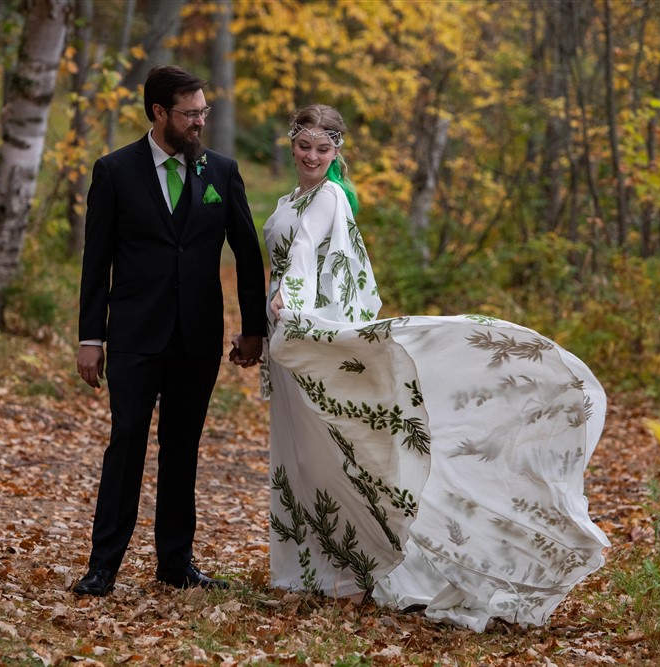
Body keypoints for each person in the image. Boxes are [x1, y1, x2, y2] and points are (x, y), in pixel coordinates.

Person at [253, 104, 610, 632]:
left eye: (323, 149)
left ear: (337, 152)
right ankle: (314, 568)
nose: (311, 157)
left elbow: (305, 254)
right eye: (304, 146)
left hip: (309, 325)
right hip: (291, 332)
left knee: (333, 450)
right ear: (291, 143)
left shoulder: (328, 196)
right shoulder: (291, 198)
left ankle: (356, 570)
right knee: (302, 453)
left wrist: (290, 298)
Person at [73, 65, 267, 597]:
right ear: (159, 113)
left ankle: (175, 563)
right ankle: (103, 567)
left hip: (197, 337)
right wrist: (92, 336)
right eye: (190, 113)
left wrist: (254, 330)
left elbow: (247, 254)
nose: (200, 122)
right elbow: (97, 261)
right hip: (135, 334)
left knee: (182, 448)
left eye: (204, 111)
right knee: (127, 441)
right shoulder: (114, 172)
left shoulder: (221, 172)